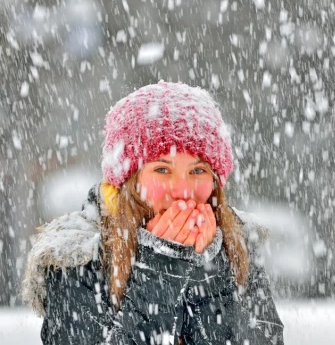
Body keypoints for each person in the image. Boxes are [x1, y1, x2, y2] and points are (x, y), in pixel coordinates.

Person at [23, 81, 284, 345]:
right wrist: (160, 268)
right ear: (128, 181)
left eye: (198, 171)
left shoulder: (235, 243)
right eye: (162, 169)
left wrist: (209, 270)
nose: (183, 191)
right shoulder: (78, 257)